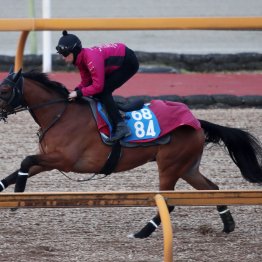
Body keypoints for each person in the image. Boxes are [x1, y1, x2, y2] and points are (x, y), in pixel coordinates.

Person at [56, 30, 139, 142]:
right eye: (61, 54)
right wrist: (75, 91)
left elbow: (98, 86)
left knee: (103, 91)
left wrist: (79, 93)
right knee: (97, 91)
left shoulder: (91, 59)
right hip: (118, 57)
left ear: (74, 52)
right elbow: (86, 82)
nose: (63, 57)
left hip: (128, 62)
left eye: (65, 54)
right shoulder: (80, 59)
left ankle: (121, 126)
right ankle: (116, 109)